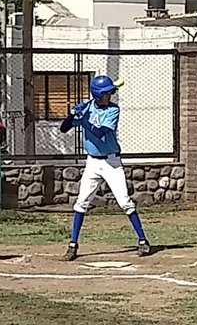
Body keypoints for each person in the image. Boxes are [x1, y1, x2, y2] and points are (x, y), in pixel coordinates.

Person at [59, 75, 151, 261]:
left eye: (110, 92)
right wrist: (73, 113)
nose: (109, 95)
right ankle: (72, 245)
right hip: (92, 162)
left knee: (124, 201)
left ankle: (143, 241)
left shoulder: (113, 110)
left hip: (111, 162)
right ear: (98, 94)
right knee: (81, 202)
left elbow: (100, 133)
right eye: (106, 93)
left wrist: (83, 117)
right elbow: (64, 128)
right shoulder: (88, 107)